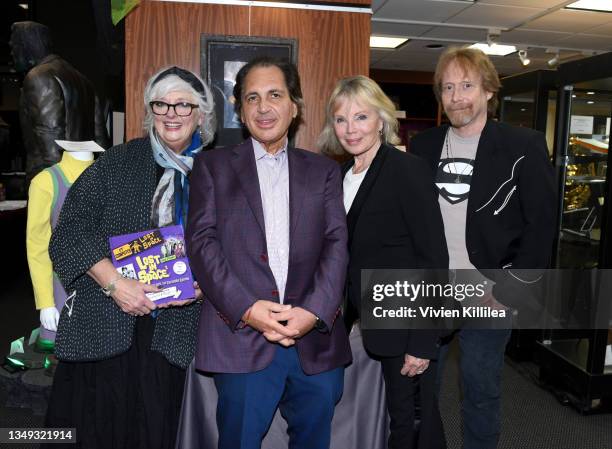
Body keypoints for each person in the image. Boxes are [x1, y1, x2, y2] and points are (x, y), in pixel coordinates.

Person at [44, 66, 215, 449]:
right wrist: (115, 284)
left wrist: (205, 288)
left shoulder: (218, 173)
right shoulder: (116, 163)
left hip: (177, 329)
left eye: (183, 105)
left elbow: (232, 248)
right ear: (150, 111)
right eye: (162, 104)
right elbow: (69, 232)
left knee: (158, 430)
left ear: (201, 114)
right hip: (106, 325)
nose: (172, 113)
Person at [186, 56, 351, 449]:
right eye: (252, 98)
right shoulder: (210, 168)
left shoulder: (324, 170)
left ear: (294, 106)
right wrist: (247, 309)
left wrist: (313, 312)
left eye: (275, 95)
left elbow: (336, 244)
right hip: (241, 336)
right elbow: (202, 244)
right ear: (241, 110)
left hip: (312, 339)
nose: (264, 107)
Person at [410, 47, 556, 449]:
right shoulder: (422, 146)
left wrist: (510, 289)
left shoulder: (522, 145)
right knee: (421, 388)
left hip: (489, 290)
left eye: (467, 86)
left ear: (489, 90)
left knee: (480, 390)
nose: (457, 97)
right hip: (432, 290)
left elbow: (541, 226)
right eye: (448, 87)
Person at [318, 75, 449, 449]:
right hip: (365, 318)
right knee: (401, 417)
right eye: (341, 119)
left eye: (361, 117)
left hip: (407, 317)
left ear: (381, 120)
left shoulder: (408, 170)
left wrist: (423, 341)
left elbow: (434, 258)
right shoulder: (342, 175)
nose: (350, 129)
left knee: (410, 422)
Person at [9, 21, 109, 184]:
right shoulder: (84, 82)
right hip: (86, 182)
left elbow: (51, 143)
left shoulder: (38, 77)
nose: (12, 53)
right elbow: (102, 142)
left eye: (14, 46)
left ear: (26, 45)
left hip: (54, 187)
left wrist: (57, 192)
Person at [26, 146, 98, 348]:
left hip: (109, 291)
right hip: (64, 290)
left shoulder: (110, 176)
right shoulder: (45, 182)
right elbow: (38, 245)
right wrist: (46, 302)